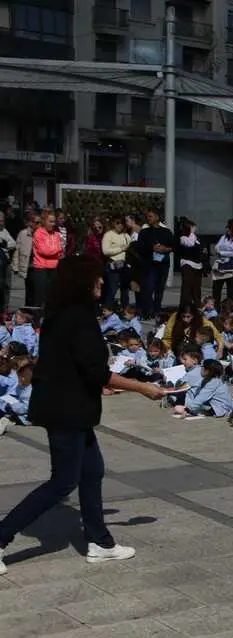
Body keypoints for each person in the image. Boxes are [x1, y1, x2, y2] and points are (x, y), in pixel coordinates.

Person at [0, 255, 165, 575]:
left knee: (92, 471)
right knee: (62, 482)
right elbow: (96, 372)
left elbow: (74, 365)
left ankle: (100, 542)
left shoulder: (61, 314)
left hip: (68, 406)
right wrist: (142, 388)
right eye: (96, 277)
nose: (101, 281)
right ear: (81, 281)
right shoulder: (79, 318)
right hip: (67, 410)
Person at [136, 210, 174, 319]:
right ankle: (149, 310)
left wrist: (165, 249)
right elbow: (140, 247)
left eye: (150, 216)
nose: (148, 218)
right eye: (147, 216)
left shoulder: (166, 232)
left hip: (163, 264)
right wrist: (152, 248)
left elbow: (173, 246)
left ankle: (157, 310)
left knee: (159, 289)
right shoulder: (144, 232)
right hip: (150, 265)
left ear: (157, 217)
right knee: (148, 288)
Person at [30, 209, 63, 308]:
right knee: (40, 298)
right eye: (51, 221)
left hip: (54, 268)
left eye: (54, 221)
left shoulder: (56, 234)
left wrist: (56, 250)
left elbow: (61, 251)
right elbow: (44, 251)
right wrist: (57, 249)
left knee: (52, 297)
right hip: (41, 268)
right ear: (44, 221)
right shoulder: (38, 233)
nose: (53, 224)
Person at [101, 216, 132, 309]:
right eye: (117, 223)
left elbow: (130, 247)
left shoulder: (126, 235)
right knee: (112, 289)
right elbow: (105, 251)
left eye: (121, 223)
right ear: (113, 224)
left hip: (125, 265)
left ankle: (124, 309)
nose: (120, 225)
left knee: (125, 289)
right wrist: (121, 249)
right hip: (113, 265)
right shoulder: (108, 235)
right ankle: (107, 309)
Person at [211, 220, 233, 303]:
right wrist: (227, 249)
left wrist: (222, 251)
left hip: (232, 267)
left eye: (229, 228)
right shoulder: (224, 237)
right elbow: (217, 247)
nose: (227, 230)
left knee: (231, 290)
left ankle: (230, 306)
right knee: (216, 289)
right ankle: (216, 306)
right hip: (221, 265)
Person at [175, 217, 204, 308]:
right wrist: (191, 233)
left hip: (197, 265)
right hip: (187, 264)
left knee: (196, 287)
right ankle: (185, 306)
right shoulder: (183, 238)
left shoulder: (195, 237)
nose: (195, 228)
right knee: (187, 287)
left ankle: (197, 305)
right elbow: (190, 244)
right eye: (193, 227)